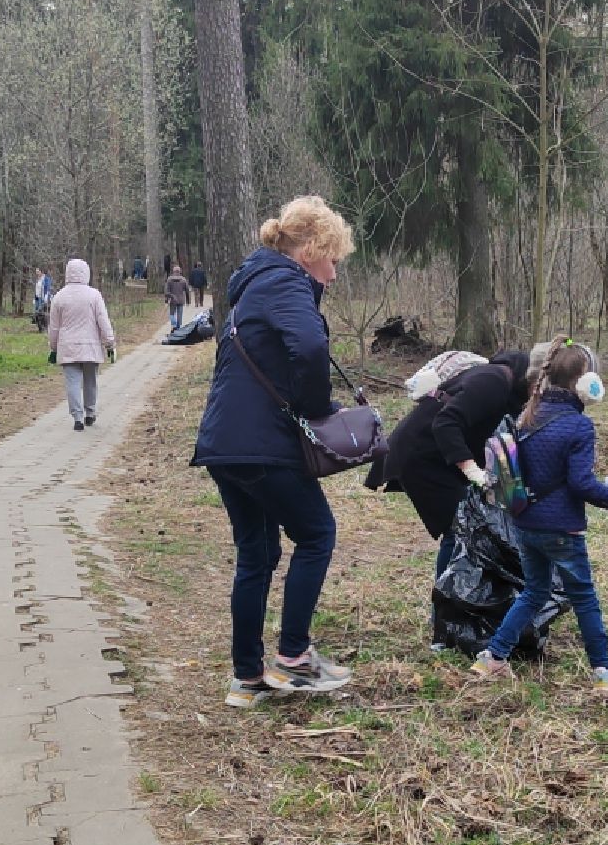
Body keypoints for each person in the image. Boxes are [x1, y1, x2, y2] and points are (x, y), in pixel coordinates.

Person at [192, 197, 356, 709]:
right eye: (332, 261)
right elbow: (308, 349)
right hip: (262, 445)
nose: (333, 274)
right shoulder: (286, 282)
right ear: (309, 251)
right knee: (316, 533)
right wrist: (315, 409)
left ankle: (247, 678)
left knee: (257, 554)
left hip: (227, 445)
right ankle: (293, 656)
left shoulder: (249, 287)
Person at [469, 338, 608, 694]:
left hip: (526, 524)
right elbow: (580, 484)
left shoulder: (528, 415)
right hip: (562, 529)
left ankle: (493, 658)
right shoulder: (578, 426)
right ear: (584, 384)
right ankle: (603, 672)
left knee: (534, 591)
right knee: (584, 598)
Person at [365, 349, 531, 634]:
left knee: (465, 529)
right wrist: (471, 471)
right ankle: (445, 622)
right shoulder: (493, 380)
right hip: (422, 458)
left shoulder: (507, 389)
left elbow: (501, 438)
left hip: (439, 458)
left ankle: (463, 613)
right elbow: (446, 422)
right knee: (458, 532)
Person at [46, 258, 116, 431]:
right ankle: (90, 413)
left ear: (68, 273)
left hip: (67, 346)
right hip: (90, 346)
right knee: (90, 381)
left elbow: (54, 326)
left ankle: (77, 417)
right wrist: (110, 343)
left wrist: (53, 347)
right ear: (86, 273)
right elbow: (103, 321)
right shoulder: (94, 295)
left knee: (73, 382)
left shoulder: (59, 297)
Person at [164, 264, 190, 330]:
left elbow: (167, 292)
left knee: (172, 314)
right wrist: (188, 301)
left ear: (173, 271)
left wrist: (166, 301)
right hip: (181, 300)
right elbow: (187, 290)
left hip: (173, 300)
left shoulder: (169, 279)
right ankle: (178, 327)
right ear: (180, 271)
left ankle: (174, 324)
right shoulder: (183, 280)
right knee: (179, 314)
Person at [32, 266, 55, 332]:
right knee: (37, 312)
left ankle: (44, 327)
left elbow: (48, 288)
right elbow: (37, 289)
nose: (36, 273)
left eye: (38, 271)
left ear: (41, 271)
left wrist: (46, 296)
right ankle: (39, 326)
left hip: (43, 298)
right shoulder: (37, 280)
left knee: (42, 312)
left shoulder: (46, 279)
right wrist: (35, 298)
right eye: (36, 271)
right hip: (38, 298)